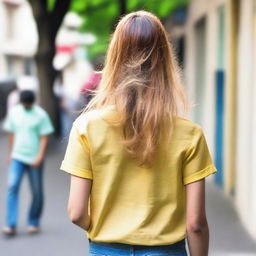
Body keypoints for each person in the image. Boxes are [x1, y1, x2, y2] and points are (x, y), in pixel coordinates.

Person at [60, 11, 217, 256]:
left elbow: (76, 212)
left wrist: (108, 231)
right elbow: (195, 224)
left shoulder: (86, 127)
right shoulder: (190, 134)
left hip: (106, 249)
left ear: (114, 60)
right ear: (165, 62)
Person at [2, 90, 54, 236]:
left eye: (28, 105)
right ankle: (10, 224)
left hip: (34, 158)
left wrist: (40, 156)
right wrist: (10, 153)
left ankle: (33, 221)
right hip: (18, 157)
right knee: (12, 186)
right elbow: (11, 133)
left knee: (37, 192)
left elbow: (44, 137)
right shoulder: (14, 113)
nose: (26, 106)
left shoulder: (40, 114)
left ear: (32, 102)